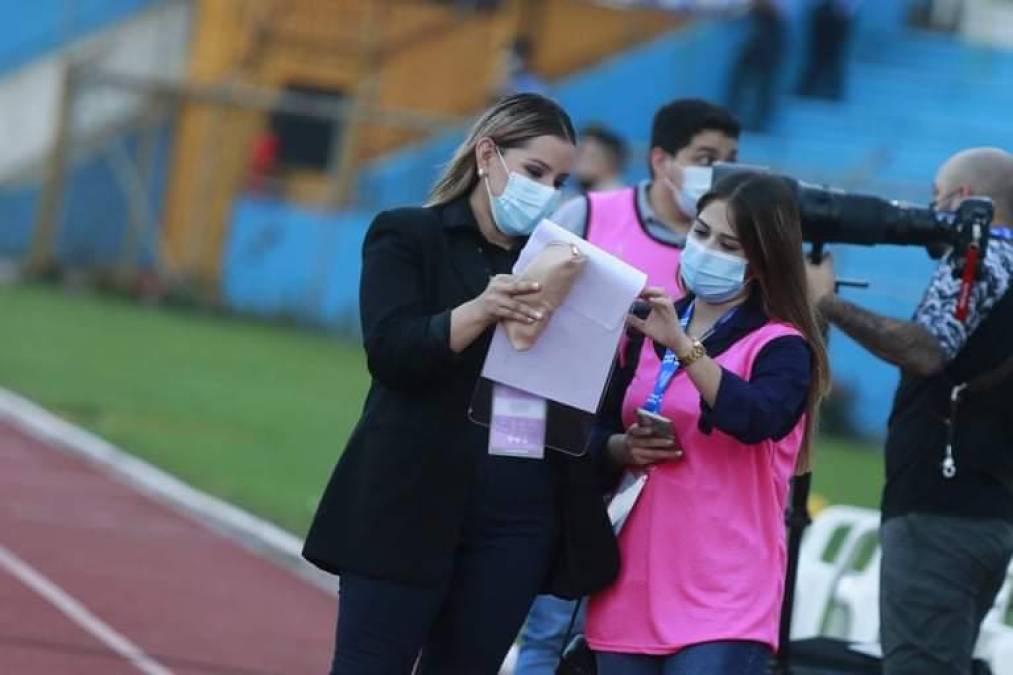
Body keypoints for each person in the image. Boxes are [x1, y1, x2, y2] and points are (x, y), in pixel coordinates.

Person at [302, 93, 617, 675]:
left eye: (561, 180)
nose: (548, 191)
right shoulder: (407, 234)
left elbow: (564, 407)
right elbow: (392, 354)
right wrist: (479, 310)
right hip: (408, 501)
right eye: (535, 172)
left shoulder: (560, 266)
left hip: (514, 519)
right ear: (487, 154)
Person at [514, 98, 740, 675]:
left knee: (614, 629)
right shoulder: (589, 216)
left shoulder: (729, 255)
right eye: (705, 158)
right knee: (547, 619)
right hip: (570, 433)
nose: (719, 173)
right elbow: (523, 317)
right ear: (662, 160)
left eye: (731, 160)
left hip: (665, 456)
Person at [586, 172, 830, 674]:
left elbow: (755, 417)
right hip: (627, 584)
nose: (706, 250)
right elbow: (596, 427)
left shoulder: (781, 345)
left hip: (725, 596)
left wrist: (683, 347)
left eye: (728, 244)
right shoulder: (644, 326)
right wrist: (618, 448)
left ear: (761, 264)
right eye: (700, 233)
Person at [806, 147, 1013, 675]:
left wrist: (825, 302)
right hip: (988, 512)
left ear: (964, 200)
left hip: (939, 512)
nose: (927, 210)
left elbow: (926, 350)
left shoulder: (979, 256)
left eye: (937, 196)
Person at [726, 0, 787, 132]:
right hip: (760, 44)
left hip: (769, 45)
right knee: (742, 83)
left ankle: (759, 123)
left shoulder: (773, 15)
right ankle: (735, 118)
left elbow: (775, 10)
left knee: (764, 86)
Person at [796, 0, 862, 100]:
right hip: (823, 13)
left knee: (834, 55)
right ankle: (809, 87)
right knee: (817, 53)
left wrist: (846, 10)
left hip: (840, 15)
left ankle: (833, 90)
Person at [573, 124, 628, 194]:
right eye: (579, 154)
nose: (581, 163)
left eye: (592, 157)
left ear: (612, 162)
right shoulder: (575, 196)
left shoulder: (617, 197)